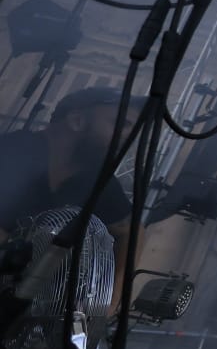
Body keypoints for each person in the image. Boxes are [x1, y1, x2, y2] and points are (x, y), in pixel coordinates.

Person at [0, 85, 140, 315]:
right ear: (76, 120)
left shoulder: (93, 177)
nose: (127, 138)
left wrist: (110, 301)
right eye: (120, 124)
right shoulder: (12, 151)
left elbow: (131, 230)